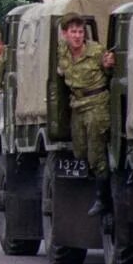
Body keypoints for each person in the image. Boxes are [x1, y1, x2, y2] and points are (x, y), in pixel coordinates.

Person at [57, 12, 116, 216]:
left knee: (96, 154)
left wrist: (108, 65)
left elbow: (110, 72)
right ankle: (98, 188)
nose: (77, 36)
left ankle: (103, 199)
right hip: (78, 104)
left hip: (97, 103)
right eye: (73, 31)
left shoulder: (96, 51)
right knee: (80, 152)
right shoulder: (62, 51)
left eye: (80, 31)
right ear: (65, 34)